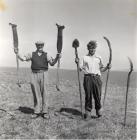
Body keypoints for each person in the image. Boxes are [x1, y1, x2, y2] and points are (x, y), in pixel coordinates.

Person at [14, 24, 65, 119]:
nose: (40, 46)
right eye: (38, 45)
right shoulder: (31, 54)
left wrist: (57, 57)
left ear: (43, 46)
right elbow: (23, 59)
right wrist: (17, 53)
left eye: (41, 45)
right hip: (34, 74)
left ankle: (45, 112)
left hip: (44, 74)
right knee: (36, 93)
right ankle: (37, 111)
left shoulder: (47, 54)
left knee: (45, 92)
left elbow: (52, 63)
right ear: (36, 46)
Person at [75, 40, 111, 119]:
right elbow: (80, 69)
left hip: (97, 78)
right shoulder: (84, 58)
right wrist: (77, 63)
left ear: (95, 48)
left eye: (94, 48)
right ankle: (88, 112)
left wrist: (107, 67)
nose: (92, 50)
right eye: (91, 48)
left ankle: (98, 111)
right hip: (87, 78)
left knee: (98, 95)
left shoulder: (99, 57)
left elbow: (101, 69)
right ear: (88, 48)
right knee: (88, 95)